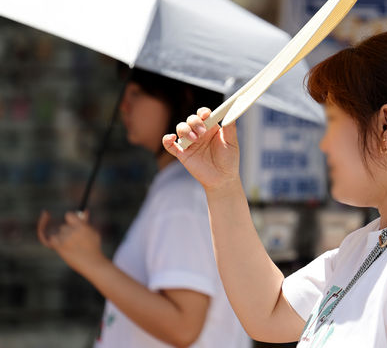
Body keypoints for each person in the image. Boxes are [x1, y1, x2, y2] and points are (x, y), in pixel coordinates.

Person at [163, 29, 387, 347]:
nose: (324, 145)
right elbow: (268, 312)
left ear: (385, 125)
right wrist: (222, 185)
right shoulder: (380, 240)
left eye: (332, 122)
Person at [37, 68, 252, 348]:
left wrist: (91, 261)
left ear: (182, 98)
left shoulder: (181, 195)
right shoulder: (177, 187)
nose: (124, 106)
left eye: (136, 94)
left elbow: (183, 327)